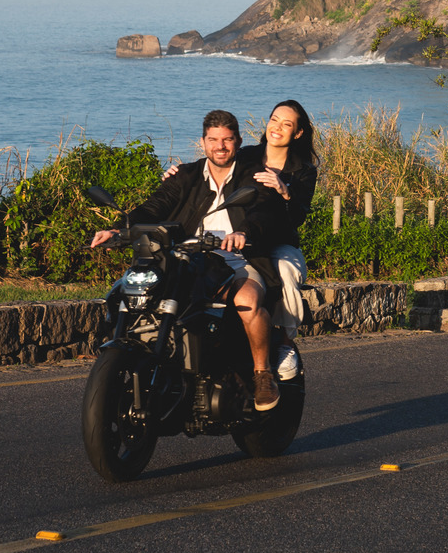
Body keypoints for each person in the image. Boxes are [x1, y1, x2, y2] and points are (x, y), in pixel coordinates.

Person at [92, 110, 282, 411]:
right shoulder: (186, 176)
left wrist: (244, 231)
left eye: (227, 140)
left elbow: (264, 210)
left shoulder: (252, 176)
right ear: (203, 142)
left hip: (237, 260)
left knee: (246, 300)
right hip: (186, 258)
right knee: (131, 291)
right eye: (213, 140)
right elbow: (155, 205)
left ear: (238, 141)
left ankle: (262, 373)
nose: (220, 146)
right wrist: (119, 229)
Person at [164, 99, 318, 380]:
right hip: (242, 237)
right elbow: (216, 163)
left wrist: (284, 191)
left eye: (287, 124)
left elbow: (298, 216)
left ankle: (284, 342)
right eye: (274, 119)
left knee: (284, 270)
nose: (277, 127)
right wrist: (180, 173)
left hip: (277, 239)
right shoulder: (247, 155)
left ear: (297, 133)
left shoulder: (303, 169)